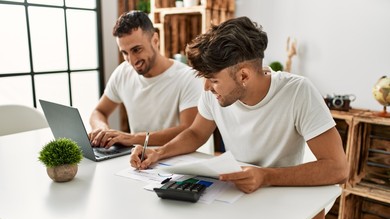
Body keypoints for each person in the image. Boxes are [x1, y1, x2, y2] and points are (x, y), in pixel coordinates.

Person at [130, 16, 349, 194]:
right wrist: (159, 152)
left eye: (213, 80)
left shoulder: (298, 92)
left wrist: (266, 176)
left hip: (282, 194)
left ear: (243, 75)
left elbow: (338, 168)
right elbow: (196, 133)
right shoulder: (214, 93)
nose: (206, 87)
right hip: (235, 193)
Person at [89, 11, 202, 148]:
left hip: (180, 161)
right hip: (139, 162)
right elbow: (98, 112)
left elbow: (189, 130)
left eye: (136, 50)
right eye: (125, 53)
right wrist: (102, 130)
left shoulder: (187, 78)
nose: (132, 60)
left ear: (155, 40)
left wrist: (132, 138)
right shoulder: (123, 72)